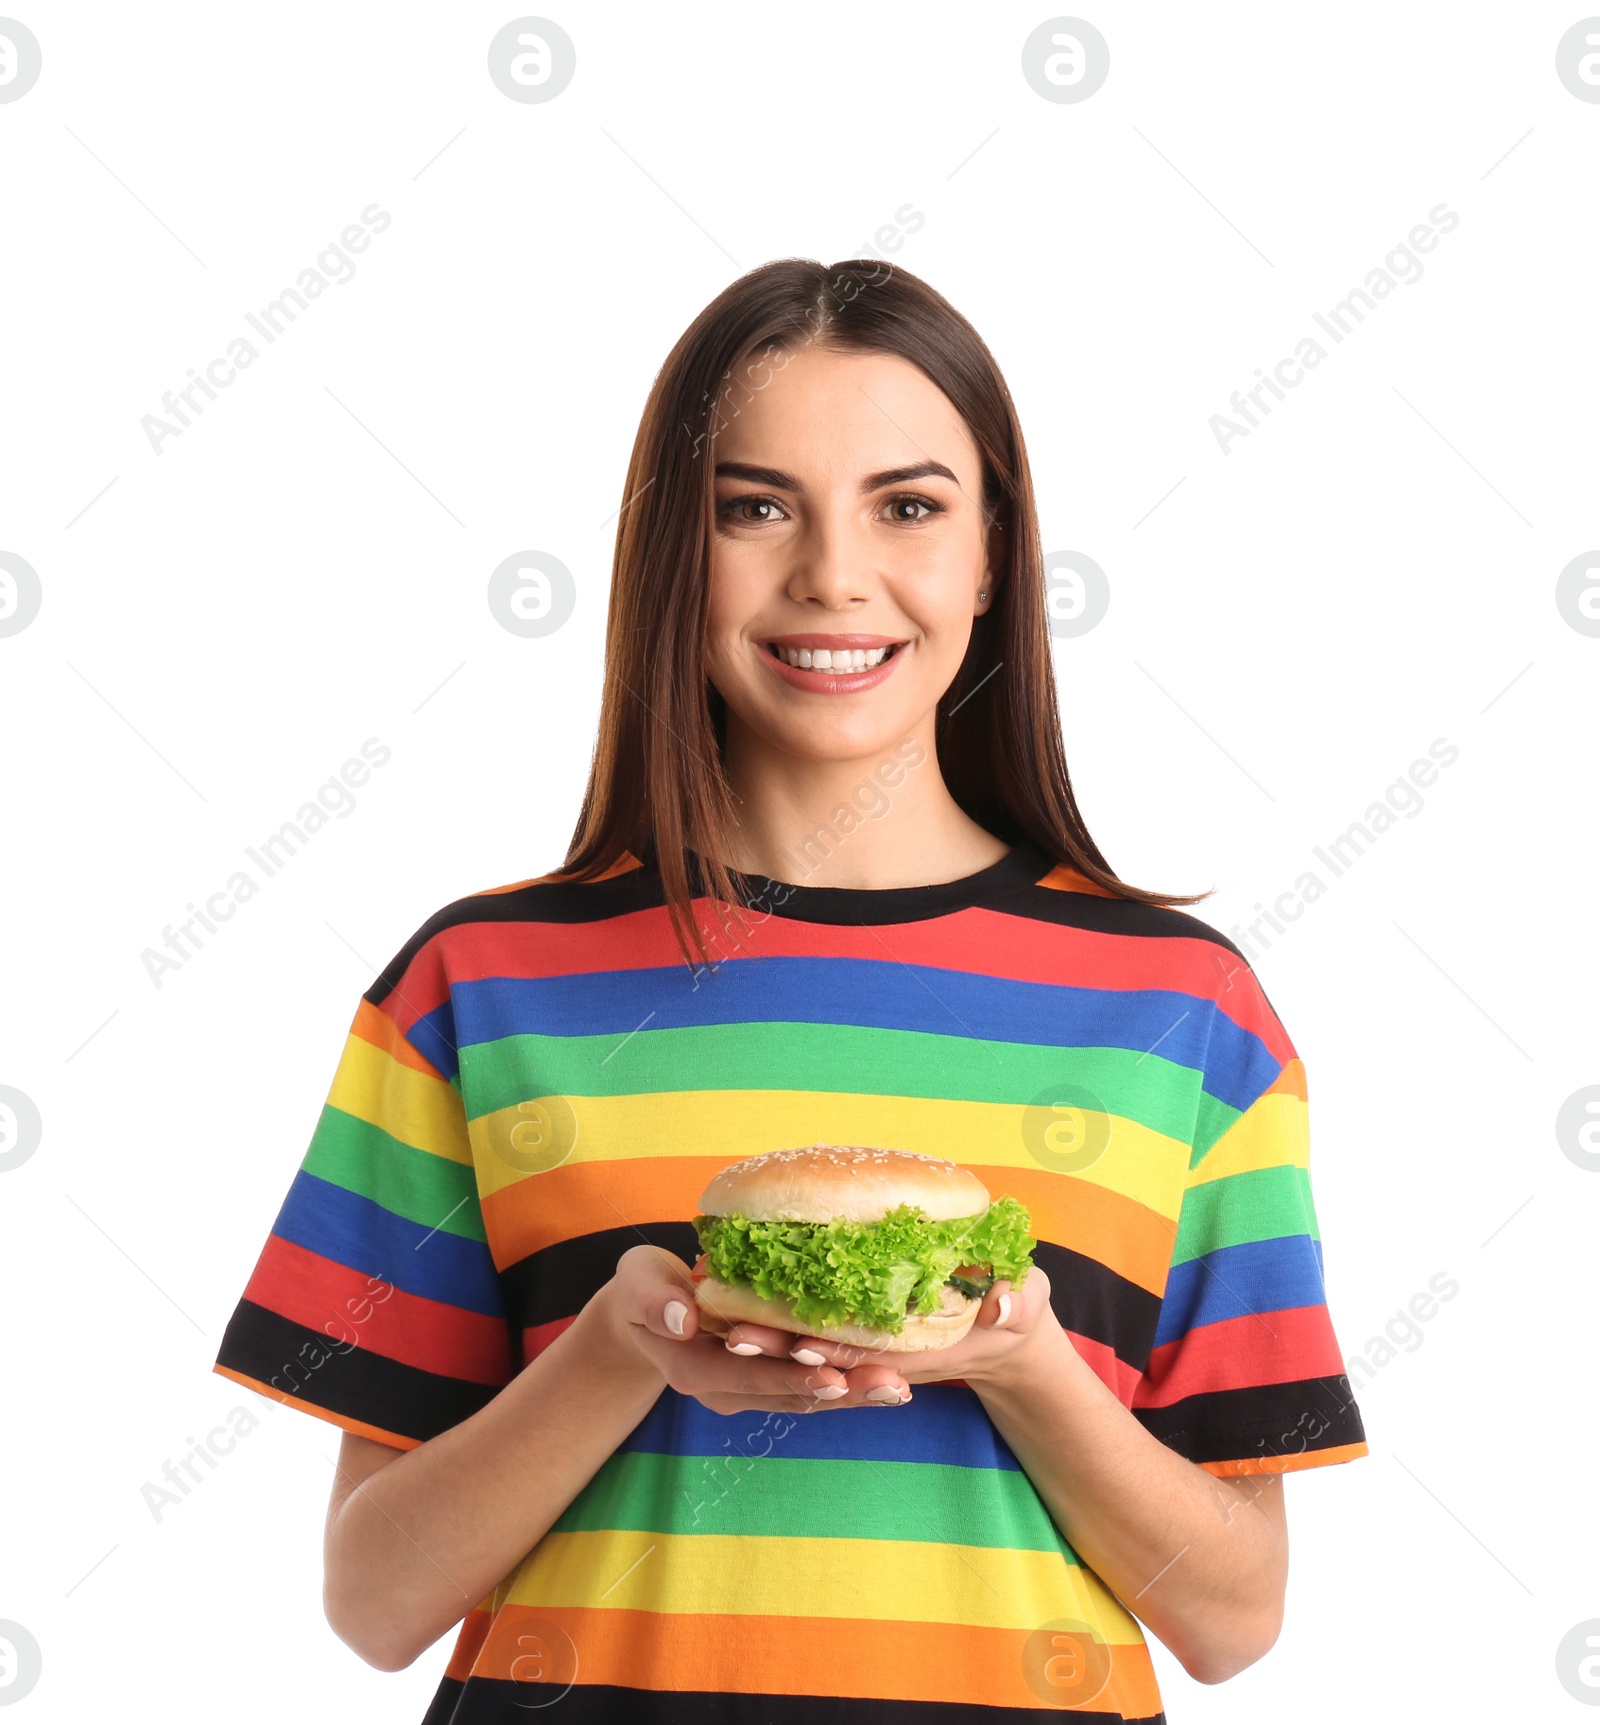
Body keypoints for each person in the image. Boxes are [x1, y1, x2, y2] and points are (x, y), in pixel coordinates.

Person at [214, 257, 1367, 1723]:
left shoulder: (1185, 1012)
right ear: (672, 554)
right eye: (755, 507)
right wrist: (614, 1353)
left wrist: (1024, 1363)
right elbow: (372, 1598)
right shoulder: (478, 989)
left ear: (995, 555)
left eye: (909, 505)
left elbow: (1235, 1615)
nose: (832, 574)